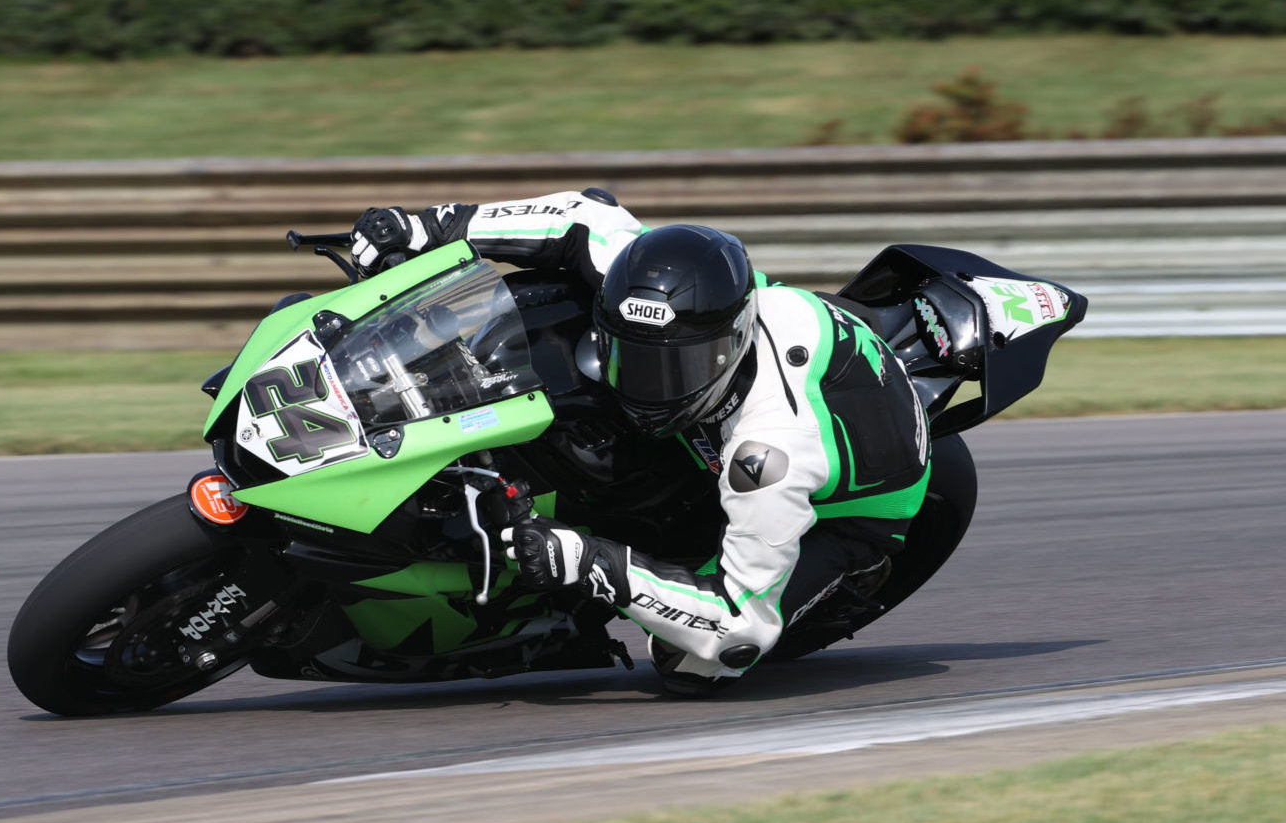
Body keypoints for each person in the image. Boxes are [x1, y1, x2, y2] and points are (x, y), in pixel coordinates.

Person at [348, 191, 932, 694]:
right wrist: (429, 226)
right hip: (767, 390)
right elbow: (581, 215)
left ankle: (843, 568)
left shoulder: (769, 457)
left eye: (675, 369)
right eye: (632, 357)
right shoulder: (654, 293)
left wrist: (594, 563)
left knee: (693, 665)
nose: (648, 388)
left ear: (730, 346)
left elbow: (740, 625)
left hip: (851, 510)